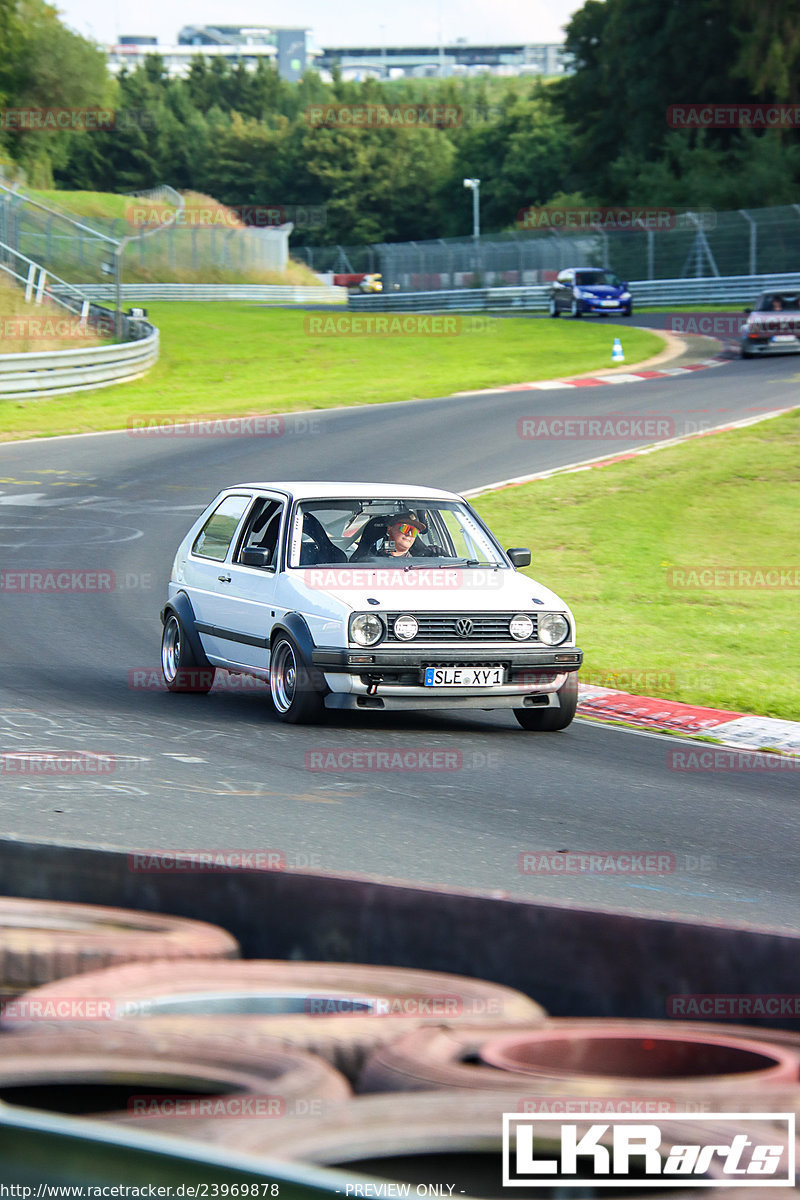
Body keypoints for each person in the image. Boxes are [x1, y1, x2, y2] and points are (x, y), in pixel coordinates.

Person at [350, 510, 434, 560]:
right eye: (405, 528)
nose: (409, 534)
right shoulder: (368, 561)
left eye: (414, 531)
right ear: (389, 529)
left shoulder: (420, 567)